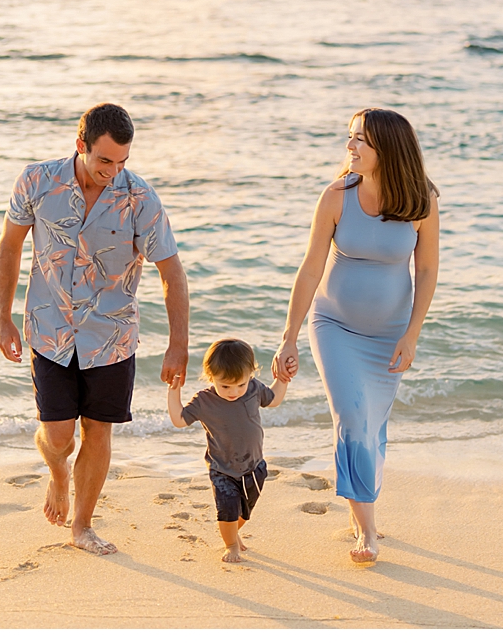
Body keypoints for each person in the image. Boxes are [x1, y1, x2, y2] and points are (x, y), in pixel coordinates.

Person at [0, 102, 190, 555]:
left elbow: (172, 273)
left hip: (113, 334)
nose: (113, 171)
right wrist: (3, 318)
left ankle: (82, 526)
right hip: (50, 328)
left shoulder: (141, 198)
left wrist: (178, 345)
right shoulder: (37, 181)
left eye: (122, 162)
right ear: (80, 146)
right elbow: (10, 247)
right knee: (59, 435)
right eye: (104, 160)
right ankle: (58, 472)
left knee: (99, 431)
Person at [272, 108, 440, 564]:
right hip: (334, 325)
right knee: (351, 416)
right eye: (350, 137)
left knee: (371, 425)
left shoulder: (421, 200)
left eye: (361, 140)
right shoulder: (335, 196)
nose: (350, 146)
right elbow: (310, 269)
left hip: (389, 334)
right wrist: (289, 337)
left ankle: (359, 502)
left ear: (387, 148)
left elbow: (426, 271)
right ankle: (368, 529)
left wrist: (412, 334)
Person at [167, 338, 288, 563]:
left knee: (245, 510)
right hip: (222, 468)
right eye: (225, 386)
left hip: (255, 465)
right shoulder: (204, 400)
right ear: (210, 376)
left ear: (250, 375)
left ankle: (232, 531)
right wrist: (174, 391)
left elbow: (274, 399)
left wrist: (283, 379)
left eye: (240, 384)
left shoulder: (253, 389)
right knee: (228, 508)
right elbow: (179, 420)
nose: (234, 392)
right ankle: (231, 544)